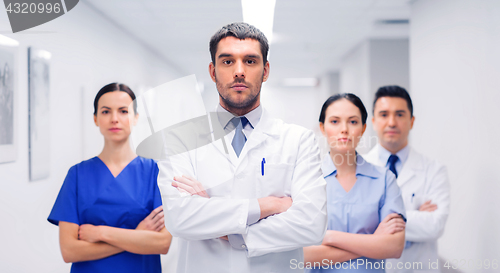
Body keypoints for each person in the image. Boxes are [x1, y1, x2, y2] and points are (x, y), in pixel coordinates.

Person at [157, 22, 327, 273]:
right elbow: (181, 219)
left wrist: (228, 229)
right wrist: (268, 205)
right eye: (227, 62)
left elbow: (311, 224)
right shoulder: (179, 139)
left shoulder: (298, 140)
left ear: (265, 70)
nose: (239, 71)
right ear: (213, 72)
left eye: (250, 61)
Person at [48, 83, 172, 273]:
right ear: (95, 119)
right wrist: (137, 236)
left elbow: (162, 243)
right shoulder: (78, 175)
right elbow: (69, 251)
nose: (115, 119)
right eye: (106, 112)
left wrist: (100, 233)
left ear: (136, 118)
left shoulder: (154, 173)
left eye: (123, 111)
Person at [303, 93, 406, 272]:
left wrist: (328, 237)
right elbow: (303, 255)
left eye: (353, 122)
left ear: (364, 128)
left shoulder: (385, 179)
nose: (344, 129)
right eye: (335, 121)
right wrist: (373, 242)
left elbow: (394, 247)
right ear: (322, 127)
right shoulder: (306, 180)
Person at [364, 86, 450, 272]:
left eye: (400, 114)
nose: (392, 122)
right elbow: (352, 227)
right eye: (384, 114)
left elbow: (435, 226)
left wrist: (379, 217)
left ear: (412, 121)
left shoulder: (434, 170)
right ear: (373, 121)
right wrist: (415, 215)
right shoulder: (358, 168)